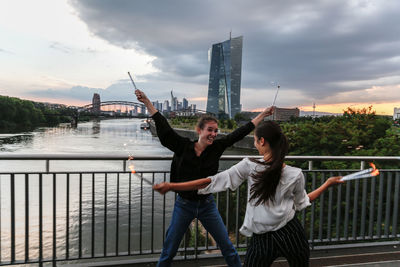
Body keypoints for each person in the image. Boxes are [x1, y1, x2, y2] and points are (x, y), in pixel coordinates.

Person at [153, 120, 344, 267]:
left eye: (255, 140)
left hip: (262, 239)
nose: (254, 144)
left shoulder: (250, 166)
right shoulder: (295, 173)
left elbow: (210, 182)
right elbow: (303, 202)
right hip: (292, 234)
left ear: (262, 141)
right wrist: (326, 184)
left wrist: (172, 186)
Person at [135, 89, 274, 267]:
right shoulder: (182, 147)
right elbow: (164, 129)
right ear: (199, 130)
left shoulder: (217, 148)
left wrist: (262, 114)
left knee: (227, 248)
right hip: (184, 205)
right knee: (169, 250)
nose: (214, 134)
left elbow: (240, 132)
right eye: (210, 130)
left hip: (207, 205)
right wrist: (147, 101)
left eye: (216, 131)